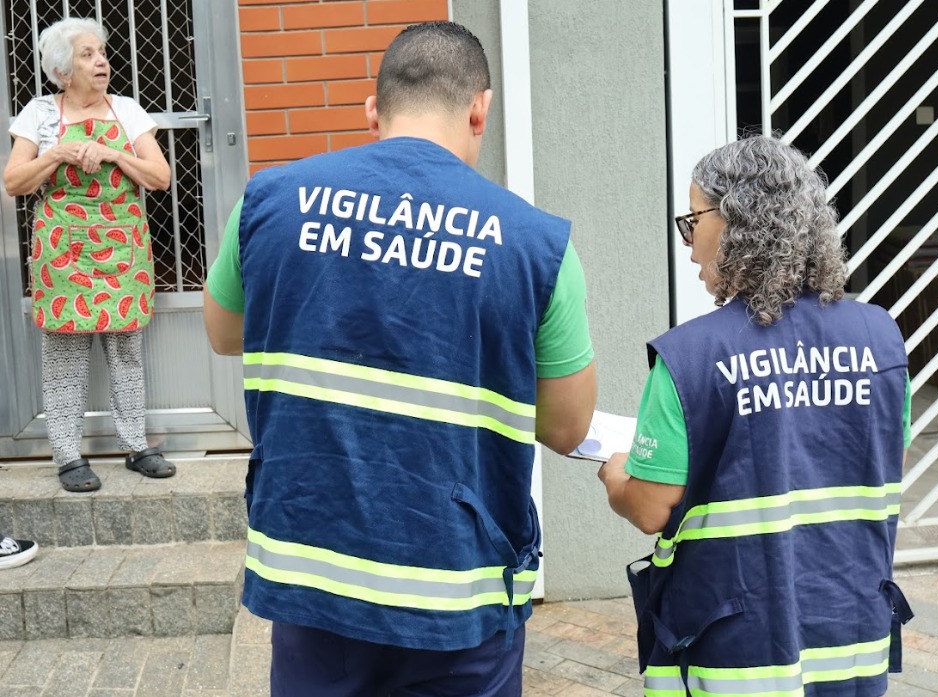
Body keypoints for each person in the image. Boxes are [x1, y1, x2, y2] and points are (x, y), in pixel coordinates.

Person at [203, 21, 596, 697]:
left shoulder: (270, 202)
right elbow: (567, 423)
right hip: (457, 586)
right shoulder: (537, 245)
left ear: (372, 109)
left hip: (313, 572)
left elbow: (223, 331)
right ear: (481, 108)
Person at [598, 135, 913, 697]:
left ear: (739, 221)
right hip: (852, 635)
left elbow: (650, 509)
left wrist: (618, 476)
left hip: (735, 651)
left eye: (694, 220)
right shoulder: (881, 339)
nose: (690, 246)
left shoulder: (689, 358)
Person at [3, 18, 176, 492]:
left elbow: (159, 177)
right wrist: (57, 153)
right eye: (87, 55)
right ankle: (67, 456)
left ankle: (137, 446)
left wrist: (113, 153)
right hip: (64, 252)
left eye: (102, 53)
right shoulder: (38, 114)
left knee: (126, 354)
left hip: (121, 246)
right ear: (62, 71)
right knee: (65, 356)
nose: (101, 62)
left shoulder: (127, 110)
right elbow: (14, 182)